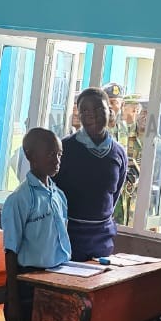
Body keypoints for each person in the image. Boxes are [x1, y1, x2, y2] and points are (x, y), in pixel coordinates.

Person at [1, 128, 70, 321]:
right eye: (50, 154)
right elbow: (11, 251)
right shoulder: (19, 199)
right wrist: (12, 299)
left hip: (55, 278)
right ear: (30, 155)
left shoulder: (58, 195)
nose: (56, 160)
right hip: (27, 283)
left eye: (59, 154)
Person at [54, 87, 128, 260]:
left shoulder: (118, 153)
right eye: (84, 110)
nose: (91, 115)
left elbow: (114, 194)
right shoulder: (64, 148)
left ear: (109, 112)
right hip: (67, 238)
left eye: (98, 109)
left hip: (102, 240)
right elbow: (52, 192)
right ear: (78, 116)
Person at [113, 95, 146, 227]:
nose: (136, 114)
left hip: (136, 200)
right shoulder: (119, 133)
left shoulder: (147, 137)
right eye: (133, 110)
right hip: (118, 198)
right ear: (123, 108)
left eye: (138, 111)